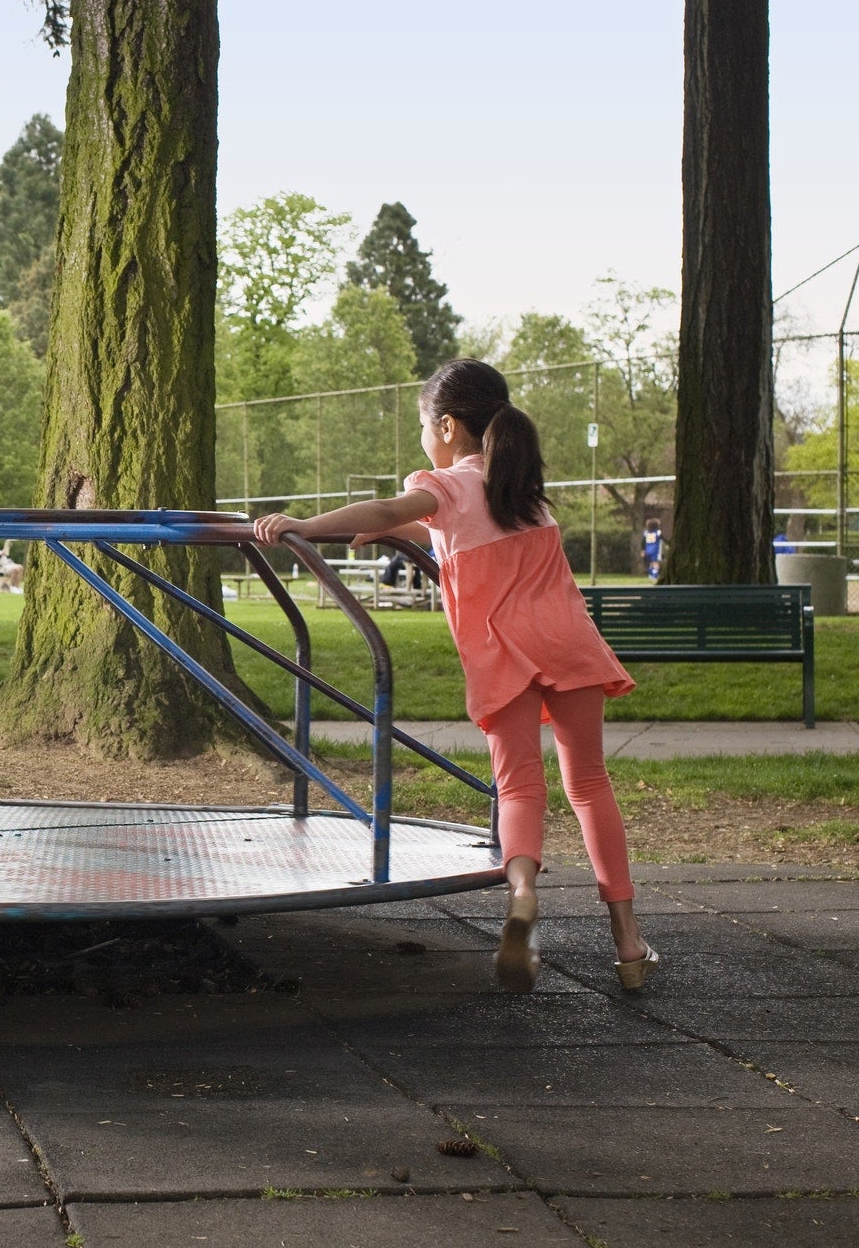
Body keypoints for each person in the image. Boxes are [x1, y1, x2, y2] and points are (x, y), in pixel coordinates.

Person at [252, 360, 658, 994]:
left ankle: (522, 895)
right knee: (589, 784)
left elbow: (400, 504)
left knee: (520, 788)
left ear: (445, 426)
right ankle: (629, 945)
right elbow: (450, 526)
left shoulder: (444, 486)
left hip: (504, 654)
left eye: (422, 425)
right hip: (569, 644)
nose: (421, 437)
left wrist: (307, 525)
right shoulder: (519, 485)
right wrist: (389, 528)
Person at [642, 518, 664, 582]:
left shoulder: (646, 533)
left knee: (651, 563)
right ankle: (654, 575)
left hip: (648, 550)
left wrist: (643, 550)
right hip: (655, 550)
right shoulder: (658, 532)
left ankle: (650, 574)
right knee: (655, 563)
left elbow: (643, 542)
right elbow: (662, 538)